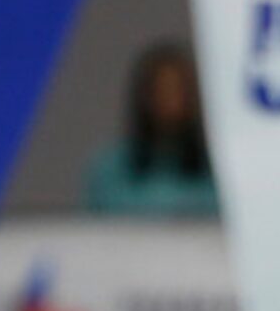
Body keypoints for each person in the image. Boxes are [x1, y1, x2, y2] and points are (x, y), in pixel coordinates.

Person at [84, 42, 220, 218]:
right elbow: (89, 234)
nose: (170, 102)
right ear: (143, 97)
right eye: (161, 91)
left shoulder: (218, 168)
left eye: (179, 91)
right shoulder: (109, 169)